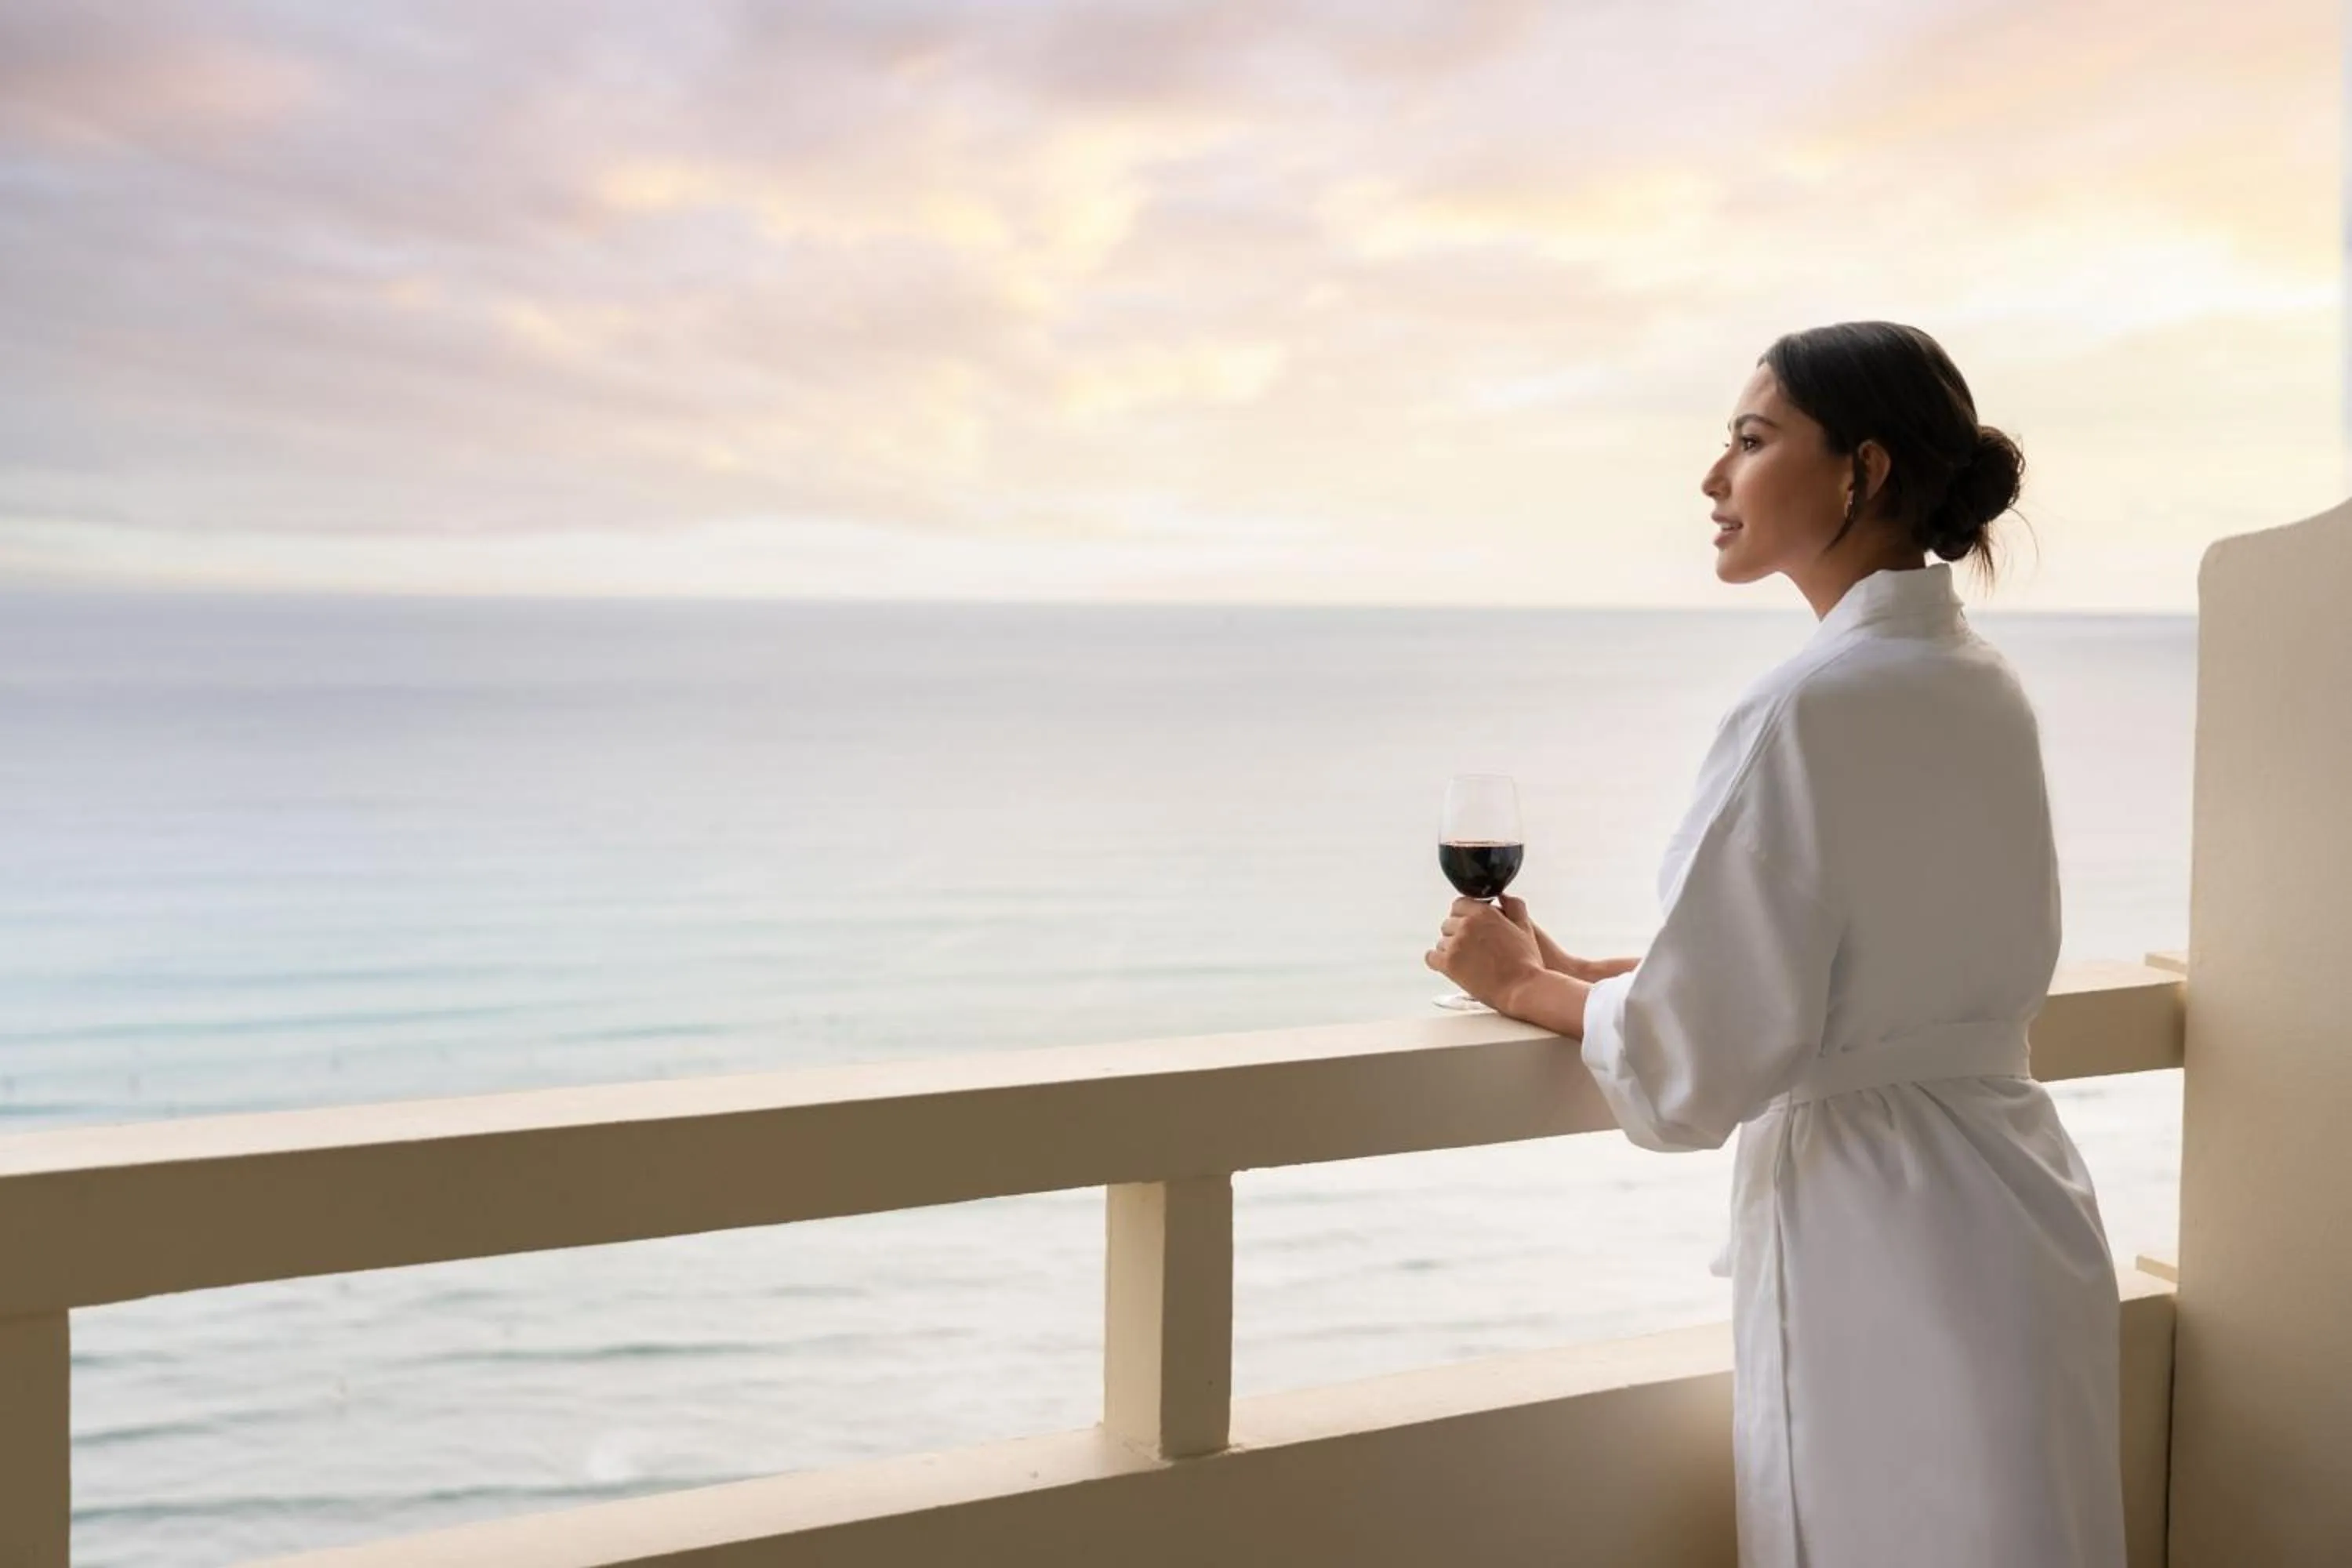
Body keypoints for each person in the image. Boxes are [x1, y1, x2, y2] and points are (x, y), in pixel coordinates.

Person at [1425, 321, 2125, 1567]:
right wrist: (1604, 973)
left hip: (1885, 1240)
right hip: (2020, 1206)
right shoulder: (1973, 681)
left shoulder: (1806, 706)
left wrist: (1522, 983)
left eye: (1750, 442)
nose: (1714, 479)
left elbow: (1702, 1063)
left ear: (1858, 470)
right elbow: (1879, 960)